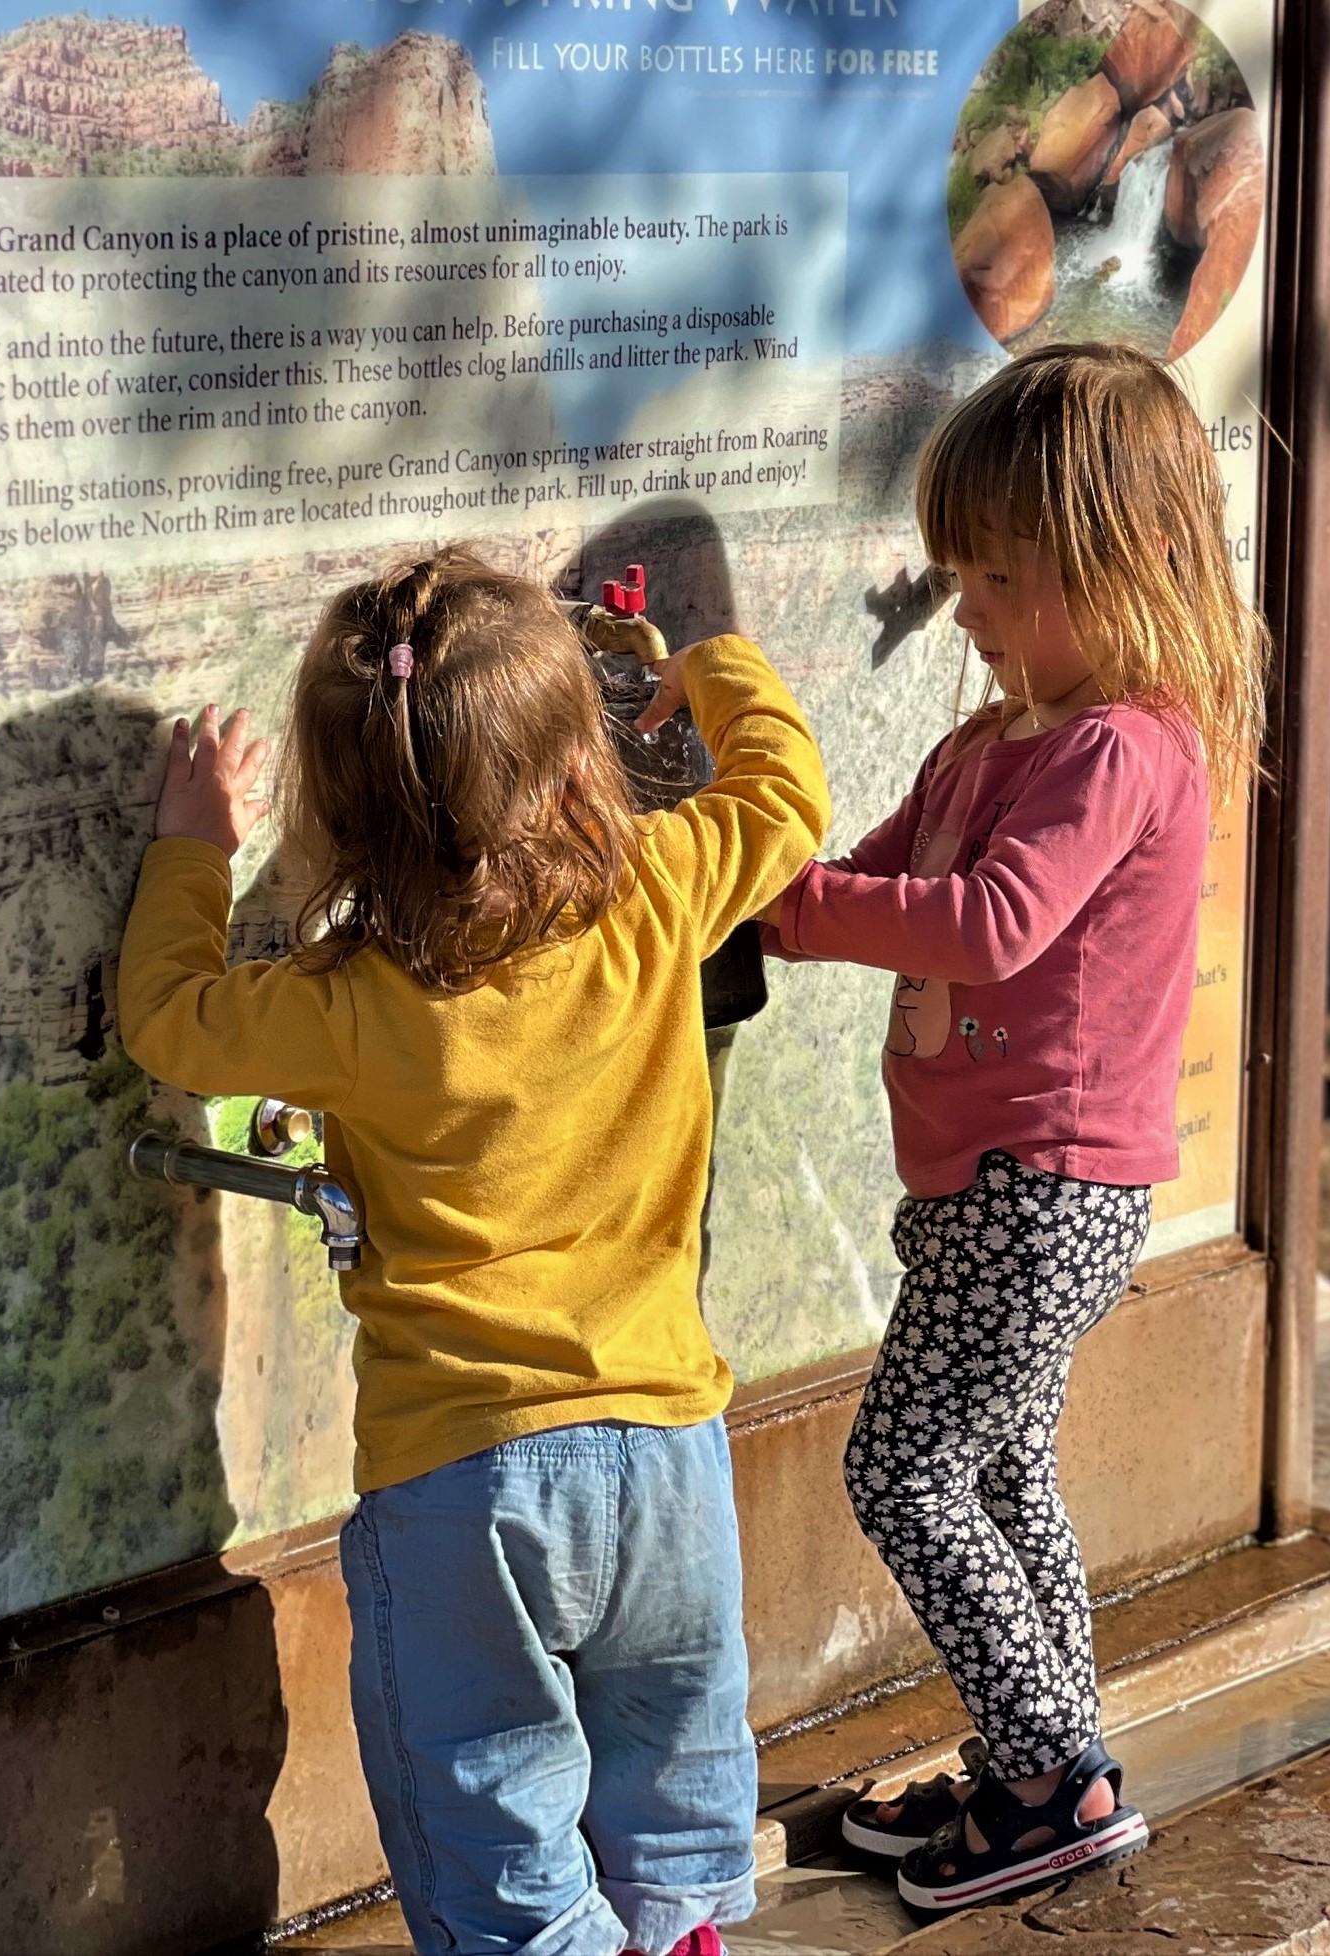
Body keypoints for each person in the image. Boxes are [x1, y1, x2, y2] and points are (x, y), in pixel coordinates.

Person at [118, 548, 830, 1956]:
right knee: (672, 1782)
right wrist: (703, 662)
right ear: (583, 762)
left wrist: (194, 841)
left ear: (341, 809)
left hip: (464, 1480)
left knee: (494, 1816)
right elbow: (789, 796)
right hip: (668, 1446)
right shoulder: (657, 893)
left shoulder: (347, 1006)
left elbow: (169, 1016)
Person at [765, 344, 1268, 1911]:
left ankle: (1053, 1777)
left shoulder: (1124, 744)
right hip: (988, 1184)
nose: (965, 608)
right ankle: (1034, 1757)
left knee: (907, 1470)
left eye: (998, 574)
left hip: (1044, 1184)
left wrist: (793, 909)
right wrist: (751, 891)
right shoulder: (988, 742)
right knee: (1002, 1473)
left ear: (1126, 567)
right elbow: (872, 877)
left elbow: (988, 925)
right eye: (954, 572)